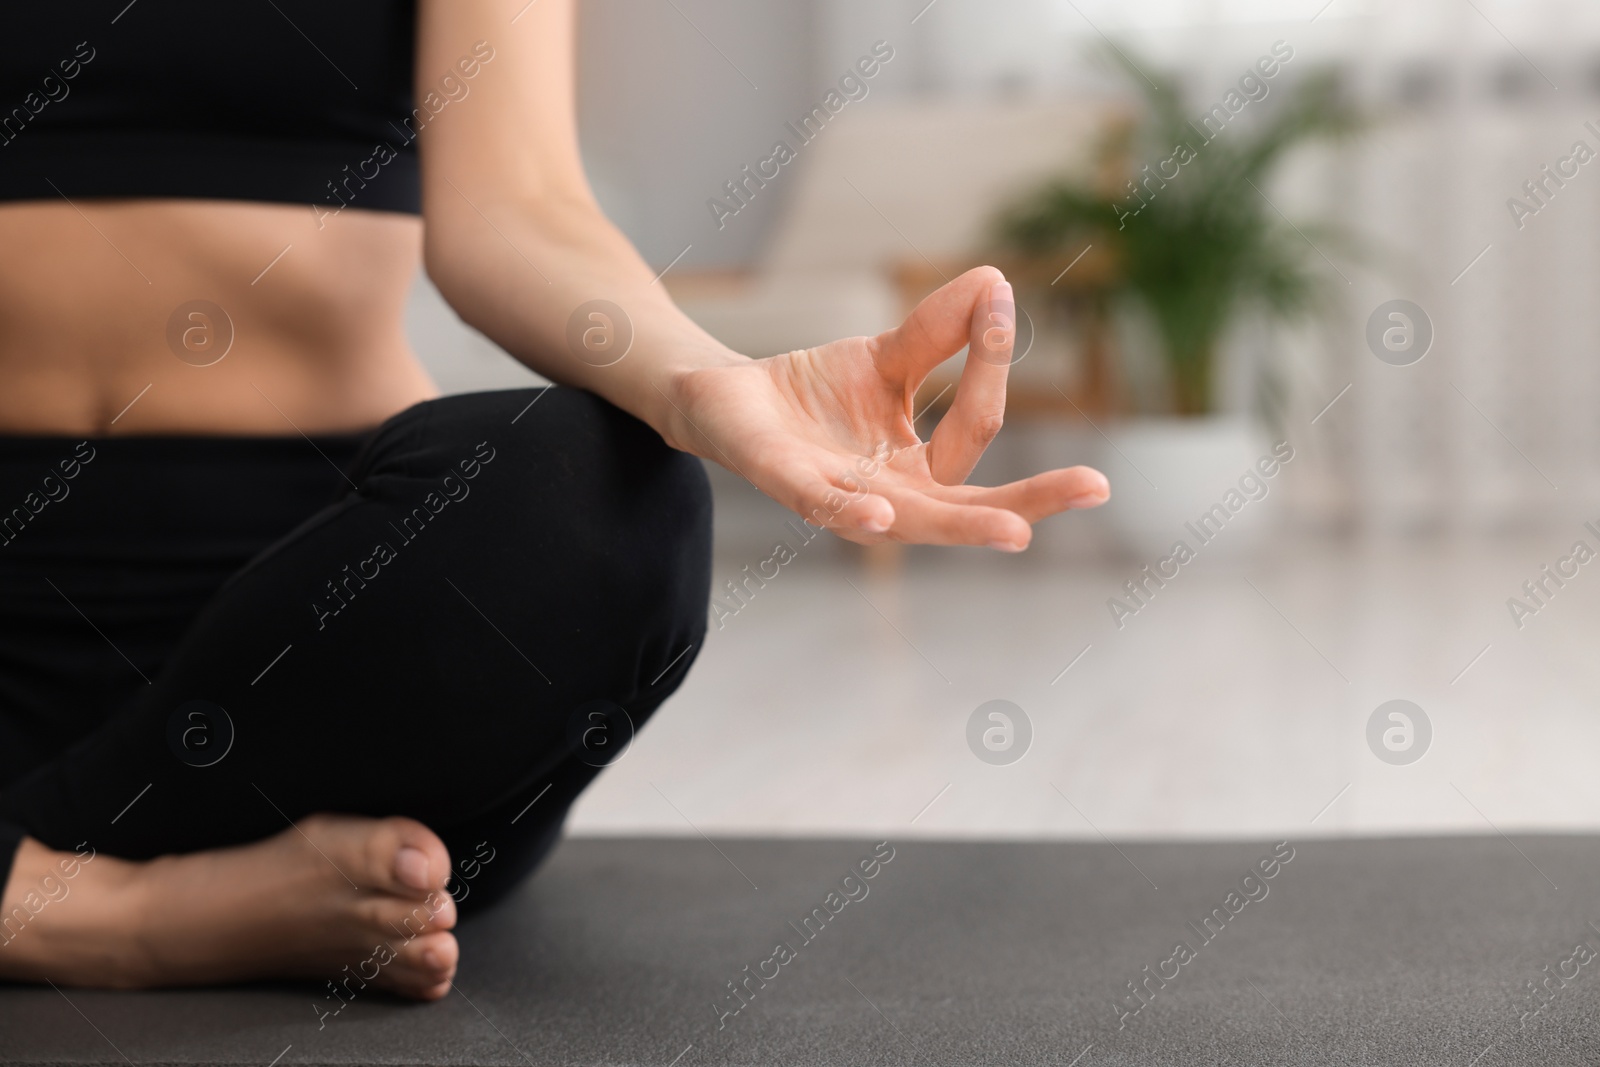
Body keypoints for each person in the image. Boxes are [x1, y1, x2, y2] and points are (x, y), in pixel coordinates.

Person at [0, 0, 1109, 1001]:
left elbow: (519, 206)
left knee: (603, 495)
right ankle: (116, 916)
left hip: (323, 651)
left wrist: (701, 381)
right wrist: (140, 924)